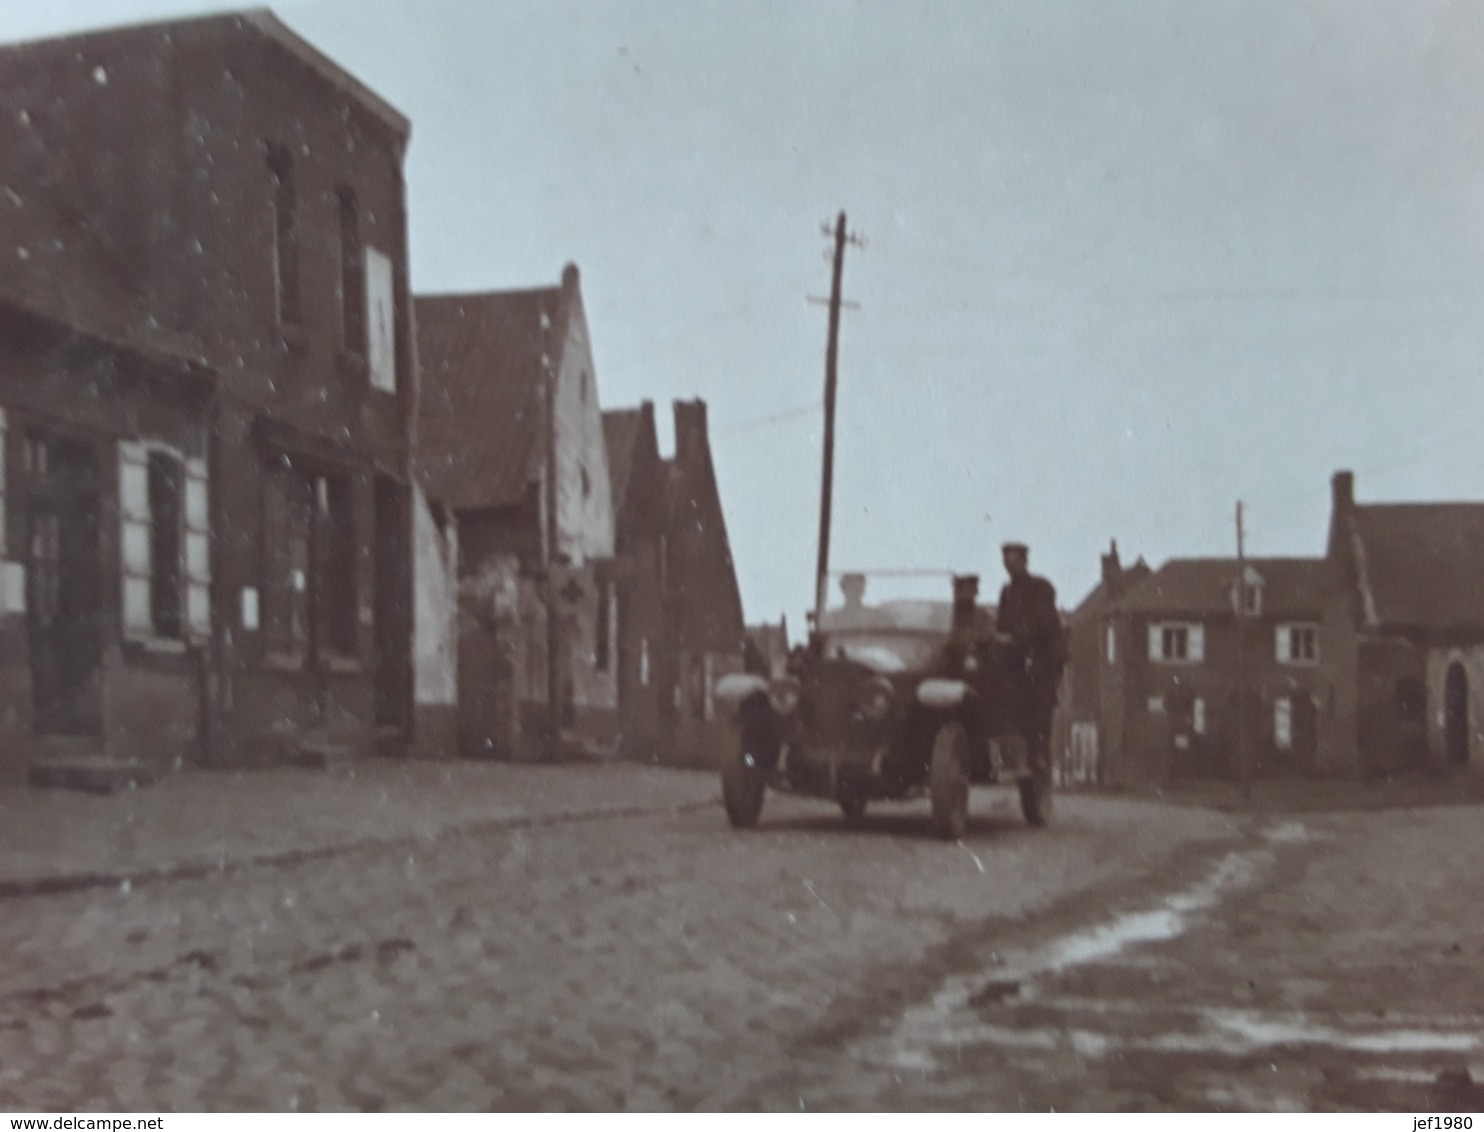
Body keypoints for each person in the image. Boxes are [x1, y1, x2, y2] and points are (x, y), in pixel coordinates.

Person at [993, 542, 1066, 771]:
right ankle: (1012, 752)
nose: (1009, 565)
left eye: (1013, 560)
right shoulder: (1006, 591)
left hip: (1043, 658)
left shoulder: (1042, 588)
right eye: (1006, 561)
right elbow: (1001, 623)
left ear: (1024, 561)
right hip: (1017, 658)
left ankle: (1039, 756)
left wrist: (1014, 638)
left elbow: (1041, 621)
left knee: (1040, 705)